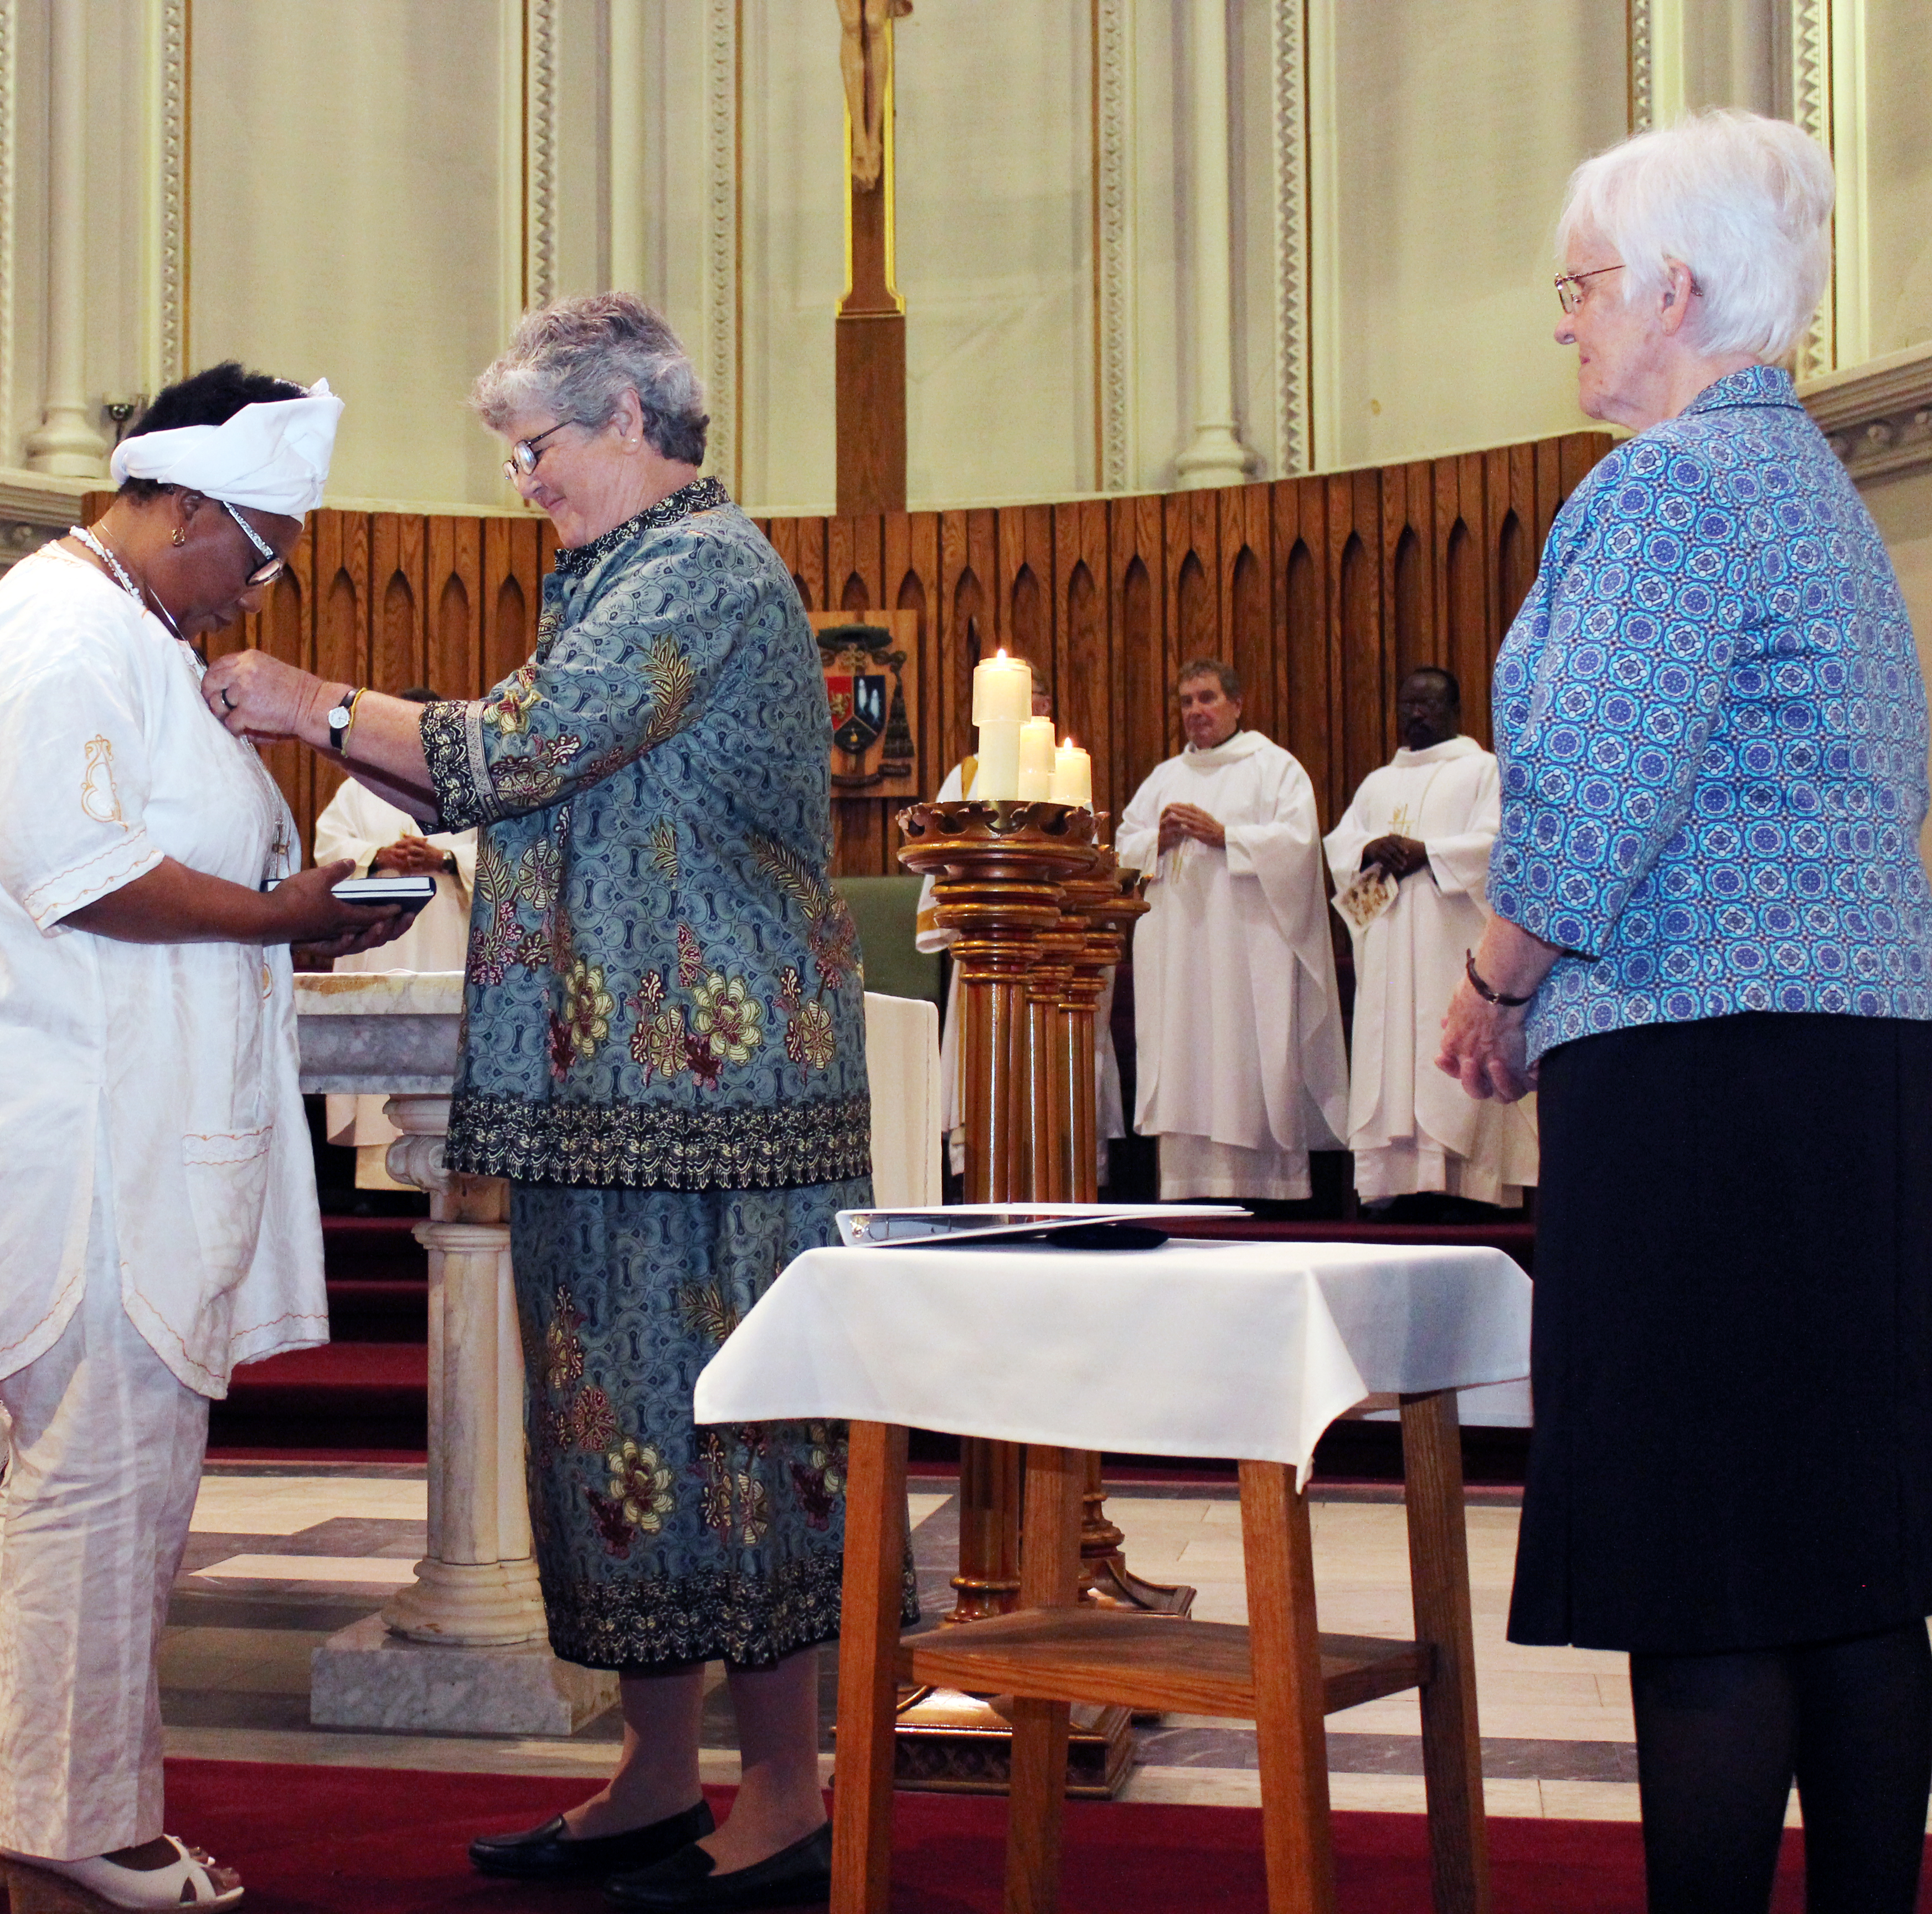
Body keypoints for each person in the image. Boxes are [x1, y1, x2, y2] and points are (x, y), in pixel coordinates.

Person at [202, 292, 874, 1914]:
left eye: (538, 446)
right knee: (611, 1442)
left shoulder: (704, 569)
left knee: (737, 1435)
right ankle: (656, 1775)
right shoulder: (613, 576)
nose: (523, 481)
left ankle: (786, 1793)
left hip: (719, 1098)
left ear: (635, 422)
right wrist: (380, 780)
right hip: (602, 1086)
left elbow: (529, 741)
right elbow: (501, 772)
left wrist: (310, 705)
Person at [0, 364, 410, 1914]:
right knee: (99, 1483)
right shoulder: (60, 631)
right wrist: (280, 915)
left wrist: (300, 925)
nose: (258, 584)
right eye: (254, 549)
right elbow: (82, 870)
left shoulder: (130, 627)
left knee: (122, 1481)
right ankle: (70, 1828)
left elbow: (172, 866)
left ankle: (74, 1811)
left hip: (122, 1124)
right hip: (73, 1143)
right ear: (183, 503)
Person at [1439, 112, 1932, 1914]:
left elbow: (1586, 787)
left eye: (1580, 288)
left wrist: (1496, 981)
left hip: (1707, 1064)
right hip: (1867, 1059)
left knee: (1711, 1563)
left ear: (1673, 288)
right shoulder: (1807, 486)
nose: (1565, 324)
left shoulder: (1662, 488)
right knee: (1849, 1561)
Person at [1112, 659, 1346, 1201]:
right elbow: (1123, 848)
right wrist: (1157, 843)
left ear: (1237, 704)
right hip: (1180, 956)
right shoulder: (1164, 779)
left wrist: (1229, 837)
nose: (1196, 710)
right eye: (1187, 700)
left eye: (1207, 698)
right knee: (1185, 1055)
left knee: (1247, 1058)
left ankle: (1266, 1190)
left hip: (1249, 953)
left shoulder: (1275, 768)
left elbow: (1301, 846)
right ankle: (1187, 1186)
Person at [1322, 666, 1534, 1216]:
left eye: (1428, 706)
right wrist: (1369, 852)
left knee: (1448, 1069)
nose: (1415, 715)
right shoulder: (1377, 783)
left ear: (1456, 712)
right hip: (1391, 957)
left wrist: (1430, 854)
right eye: (1406, 705)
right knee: (1393, 1060)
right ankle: (1394, 1187)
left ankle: (1467, 1187)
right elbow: (1344, 850)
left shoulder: (1483, 770)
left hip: (1453, 952)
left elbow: (1500, 846)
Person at [911, 666, 1124, 1175]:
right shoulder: (966, 777)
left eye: (1032, 700)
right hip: (986, 942)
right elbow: (941, 850)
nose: (1023, 709)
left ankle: (1062, 1164)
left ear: (1047, 710)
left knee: (1055, 1067)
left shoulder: (1068, 774)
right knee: (984, 1060)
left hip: (1053, 951)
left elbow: (1084, 861)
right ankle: (981, 1166)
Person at [309, 697, 480, 1187]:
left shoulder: (471, 789)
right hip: (383, 941)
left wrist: (444, 859)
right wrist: (379, 854)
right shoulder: (359, 788)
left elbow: (500, 855)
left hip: (450, 938)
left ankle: (461, 1174)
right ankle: (379, 1181)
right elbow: (330, 850)